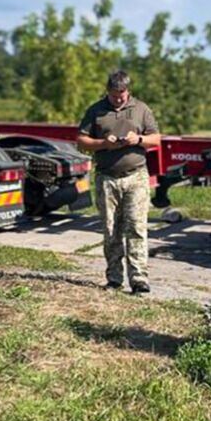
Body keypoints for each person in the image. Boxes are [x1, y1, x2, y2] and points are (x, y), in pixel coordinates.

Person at [77, 69, 162, 293]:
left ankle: (139, 278)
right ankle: (114, 278)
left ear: (128, 91)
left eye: (122, 94)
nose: (118, 98)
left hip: (135, 177)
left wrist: (139, 139)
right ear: (108, 91)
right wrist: (104, 143)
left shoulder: (141, 109)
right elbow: (82, 140)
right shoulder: (96, 111)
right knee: (111, 229)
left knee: (136, 227)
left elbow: (156, 139)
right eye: (114, 95)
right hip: (107, 178)